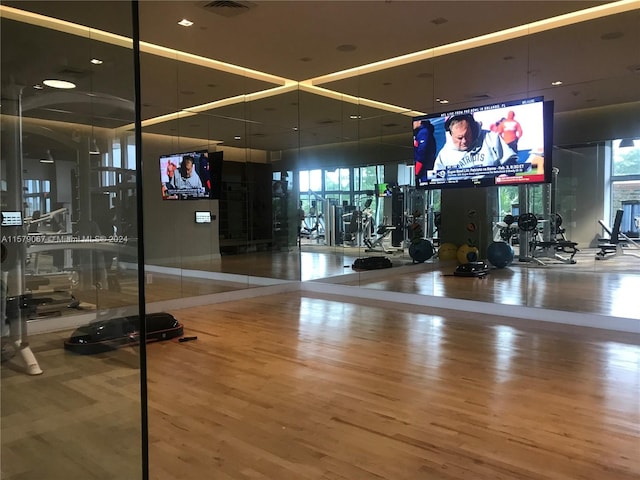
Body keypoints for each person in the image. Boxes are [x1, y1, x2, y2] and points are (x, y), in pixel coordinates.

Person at [432, 113, 518, 174]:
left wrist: (506, 176)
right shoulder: (444, 155)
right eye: (459, 138)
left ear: (473, 128)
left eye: (467, 135)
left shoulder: (492, 138)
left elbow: (511, 161)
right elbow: (436, 179)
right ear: (451, 134)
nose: (464, 141)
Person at [413, 119, 437, 184]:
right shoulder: (422, 132)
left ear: (419, 121)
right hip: (425, 170)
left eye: (414, 122)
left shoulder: (424, 132)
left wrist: (416, 173)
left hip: (424, 171)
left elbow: (421, 153)